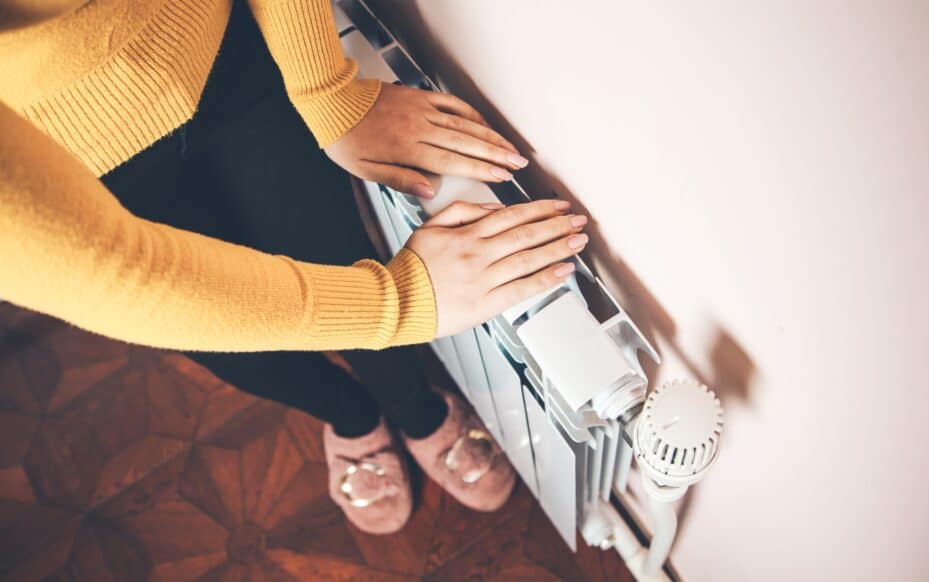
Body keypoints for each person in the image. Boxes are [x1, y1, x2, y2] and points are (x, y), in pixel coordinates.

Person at [0, 0, 590, 533]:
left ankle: (417, 408)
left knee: (334, 253)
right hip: (67, 170)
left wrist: (329, 95)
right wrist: (399, 305)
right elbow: (114, 279)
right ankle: (350, 417)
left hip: (224, 52)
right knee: (236, 346)